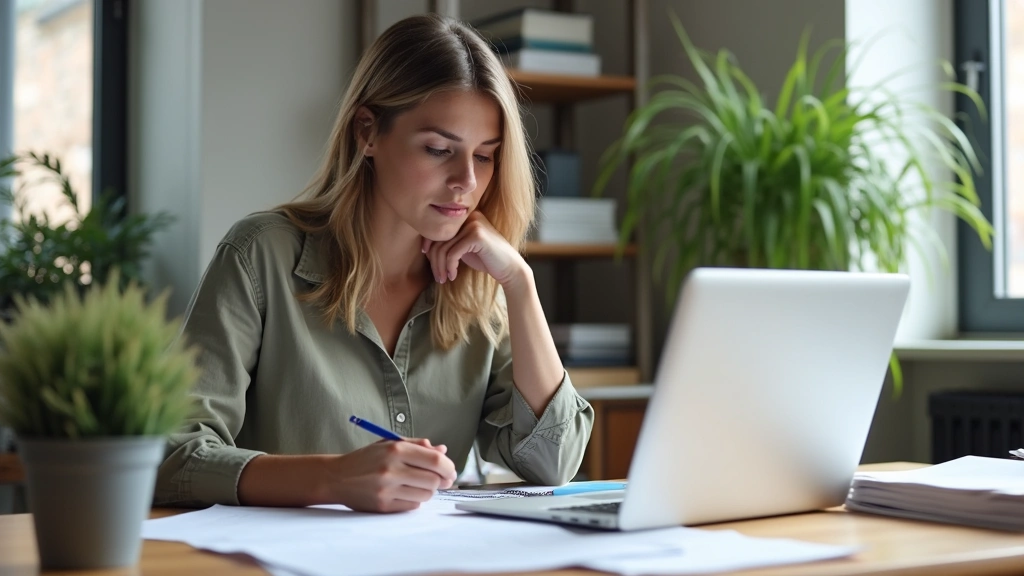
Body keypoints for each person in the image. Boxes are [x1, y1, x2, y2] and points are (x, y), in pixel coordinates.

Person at [154, 13, 595, 513]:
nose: (466, 182)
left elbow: (554, 463)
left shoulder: (483, 285)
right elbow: (173, 457)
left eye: (486, 156)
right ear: (367, 132)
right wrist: (332, 478)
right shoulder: (261, 257)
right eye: (438, 149)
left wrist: (520, 282)